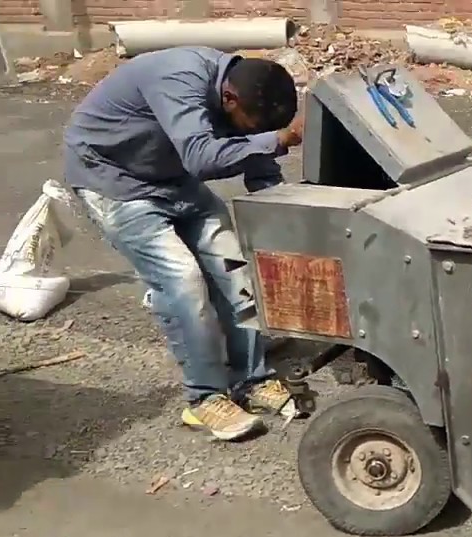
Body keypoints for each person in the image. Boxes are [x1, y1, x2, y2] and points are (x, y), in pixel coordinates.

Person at [65, 47, 304, 442]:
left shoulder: (239, 89)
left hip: (170, 176)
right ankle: (204, 398)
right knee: (182, 281)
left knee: (233, 267)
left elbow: (253, 150)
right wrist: (278, 140)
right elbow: (201, 158)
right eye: (250, 125)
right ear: (229, 99)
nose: (252, 132)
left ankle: (251, 379)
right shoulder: (179, 79)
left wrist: (275, 202)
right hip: (113, 180)